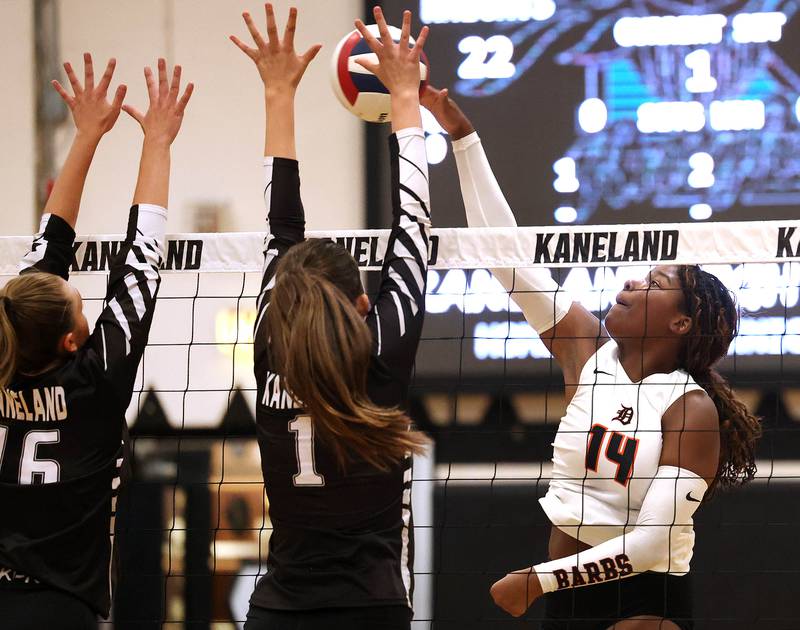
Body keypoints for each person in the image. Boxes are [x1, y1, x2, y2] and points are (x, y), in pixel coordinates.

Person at [421, 86, 761, 630]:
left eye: (653, 284)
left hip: (645, 598)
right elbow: (505, 254)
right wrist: (463, 137)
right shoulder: (585, 350)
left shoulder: (689, 408)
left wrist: (537, 581)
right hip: (566, 599)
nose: (631, 283)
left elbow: (650, 545)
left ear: (681, 323)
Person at [230, 5, 431, 630]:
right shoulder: (379, 360)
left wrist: (278, 94)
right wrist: (406, 96)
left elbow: (282, 228)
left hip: (278, 611)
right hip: (371, 610)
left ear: (286, 299)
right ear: (363, 305)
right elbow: (413, 226)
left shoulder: (271, 346)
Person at [0, 54, 193, 628]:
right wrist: (157, 141)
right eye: (83, 307)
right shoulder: (94, 382)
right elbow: (142, 259)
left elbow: (52, 244)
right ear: (70, 341)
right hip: (61, 611)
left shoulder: (9, 349)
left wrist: (86, 135)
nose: (81, 296)